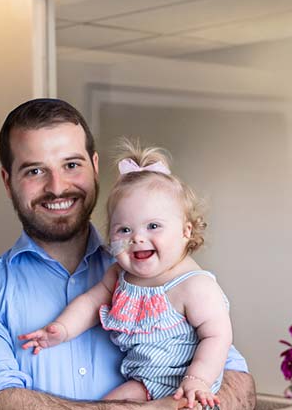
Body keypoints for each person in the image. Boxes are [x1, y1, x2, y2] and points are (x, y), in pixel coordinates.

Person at [0, 98, 256, 410]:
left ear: (93, 167)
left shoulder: (164, 275)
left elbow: (237, 384)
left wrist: (194, 393)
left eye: (71, 165)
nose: (57, 186)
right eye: (35, 171)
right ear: (8, 182)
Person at [19, 139, 232, 409]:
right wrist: (62, 329)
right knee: (106, 405)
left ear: (185, 231)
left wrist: (197, 379)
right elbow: (90, 303)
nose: (138, 239)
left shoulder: (194, 285)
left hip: (187, 387)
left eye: (153, 226)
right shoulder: (120, 275)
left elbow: (217, 336)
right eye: (124, 230)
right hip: (144, 381)